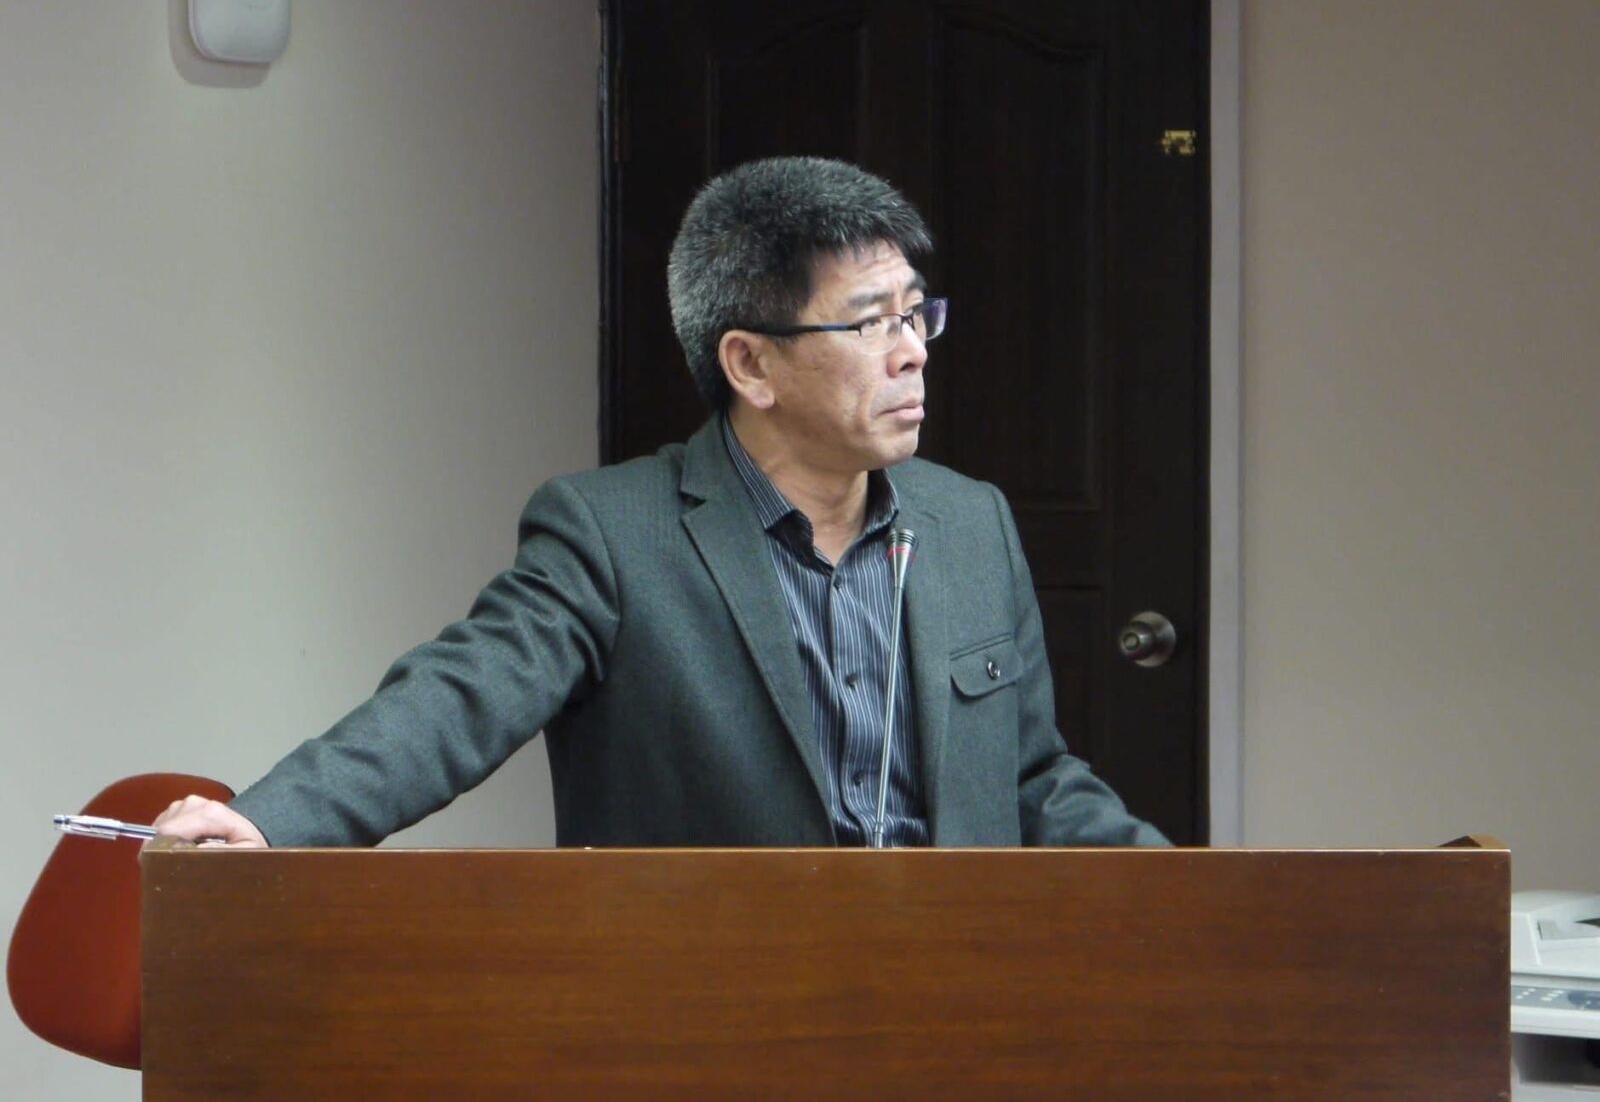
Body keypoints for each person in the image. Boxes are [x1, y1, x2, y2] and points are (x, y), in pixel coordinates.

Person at [156, 157, 1168, 850]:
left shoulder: (968, 522)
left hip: (950, 1008)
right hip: (708, 1017)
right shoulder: (613, 535)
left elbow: (1029, 775)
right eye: (870, 324)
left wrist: (1192, 894)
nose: (911, 351)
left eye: (916, 314)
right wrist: (274, 820)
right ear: (750, 364)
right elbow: (460, 696)